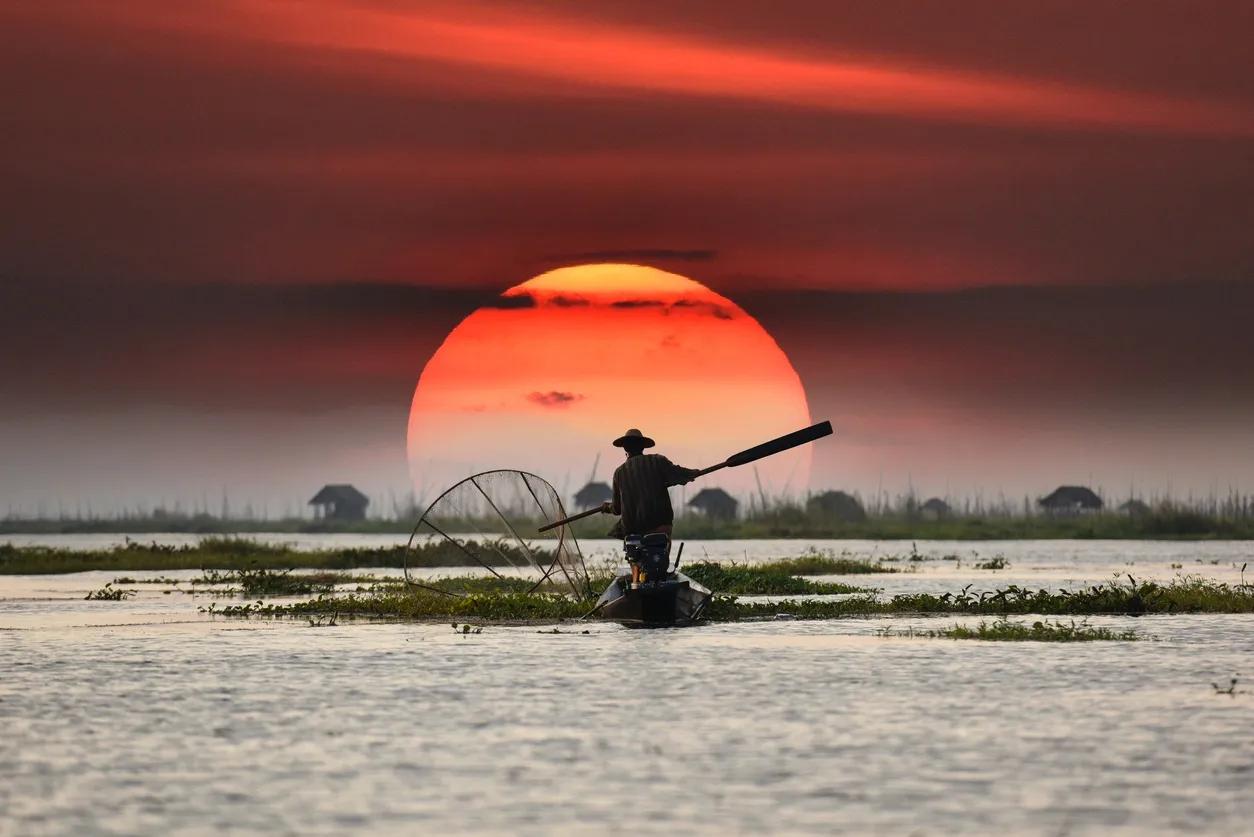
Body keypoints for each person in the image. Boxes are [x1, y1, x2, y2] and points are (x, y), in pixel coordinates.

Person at [600, 429, 700, 583]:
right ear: (642, 447)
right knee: (663, 543)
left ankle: (636, 578)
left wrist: (607, 507)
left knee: (633, 553)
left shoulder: (619, 473)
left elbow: (617, 509)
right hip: (661, 526)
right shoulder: (657, 461)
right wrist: (693, 473)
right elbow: (679, 474)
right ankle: (662, 568)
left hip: (634, 530)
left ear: (625, 449)